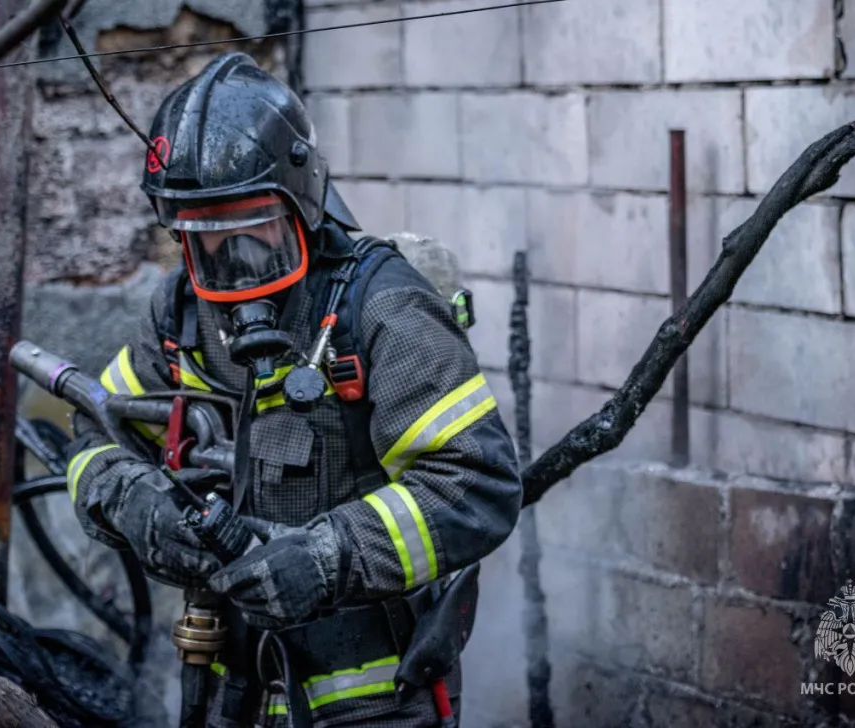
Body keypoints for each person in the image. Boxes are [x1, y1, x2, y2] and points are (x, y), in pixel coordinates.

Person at [64, 51, 522, 727]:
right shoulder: (181, 315)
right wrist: (137, 506)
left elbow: (476, 484)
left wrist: (331, 556)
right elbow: (92, 437)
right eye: (203, 237)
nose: (233, 264)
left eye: (253, 229)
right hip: (227, 686)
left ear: (299, 201)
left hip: (372, 700)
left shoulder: (381, 307)